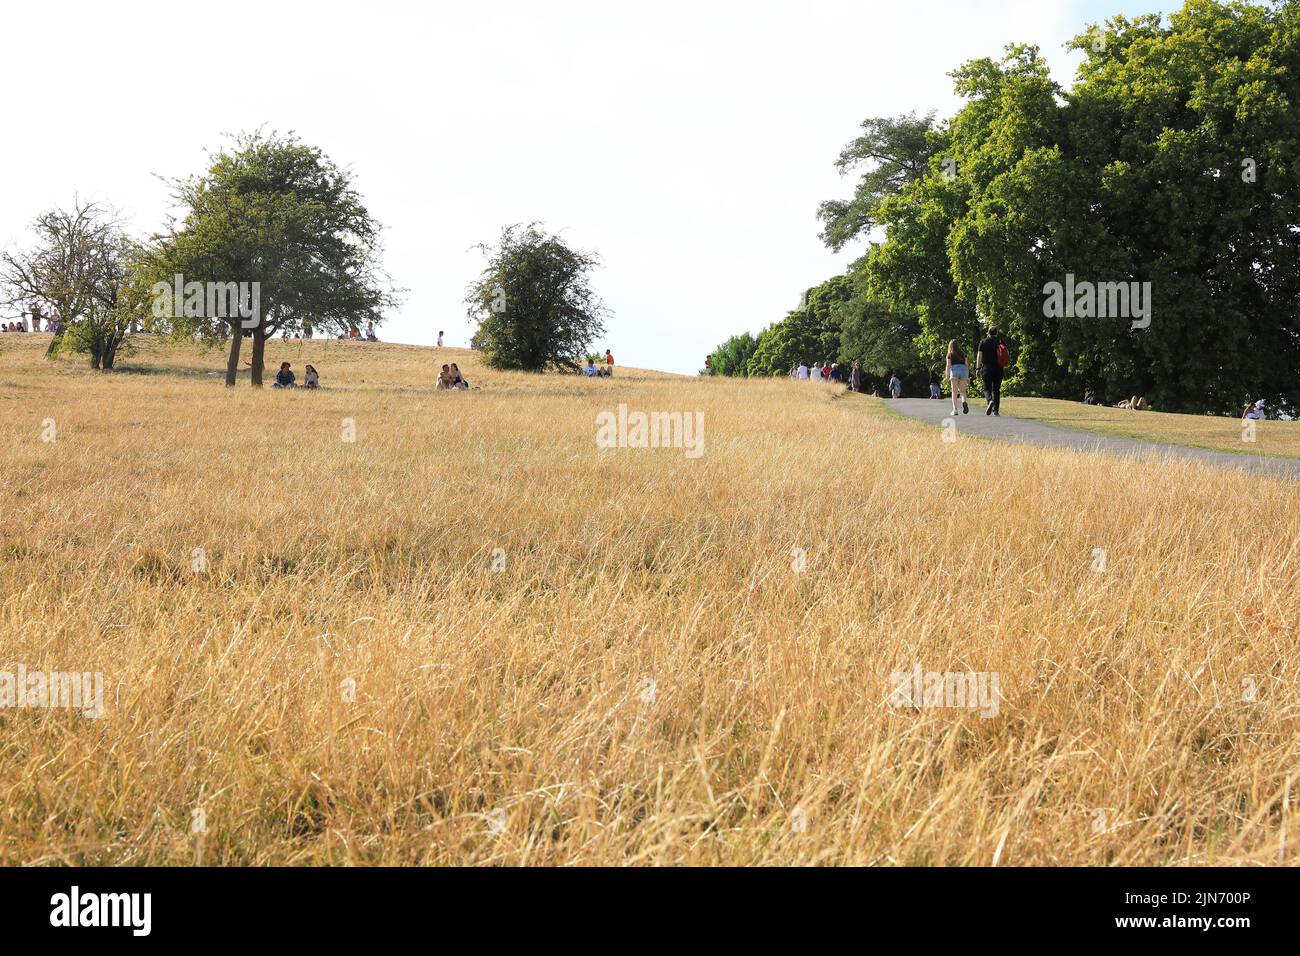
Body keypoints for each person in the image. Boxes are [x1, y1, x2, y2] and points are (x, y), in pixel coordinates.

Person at [976, 327, 1005, 416]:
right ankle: (996, 411)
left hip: (987, 368)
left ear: (988, 332)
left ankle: (990, 401)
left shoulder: (983, 342)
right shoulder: (1000, 342)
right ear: (996, 333)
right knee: (996, 390)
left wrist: (977, 368)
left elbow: (979, 356)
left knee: (986, 388)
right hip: (999, 368)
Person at [946, 340, 970, 415]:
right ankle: (964, 402)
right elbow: (966, 365)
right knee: (963, 391)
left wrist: (947, 376)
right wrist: (967, 377)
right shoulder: (964, 354)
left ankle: (955, 410)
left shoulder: (949, 355)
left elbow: (948, 366)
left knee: (954, 391)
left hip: (954, 371)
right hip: (963, 371)